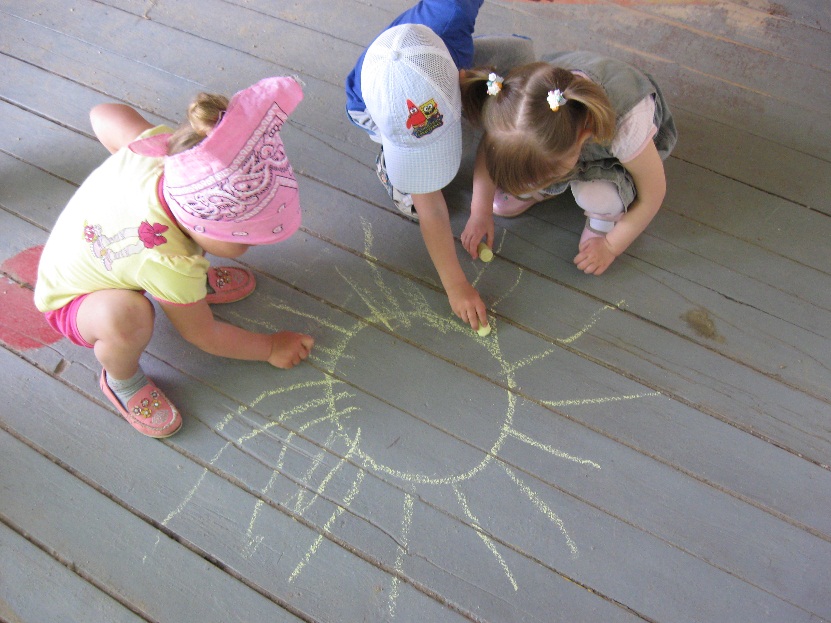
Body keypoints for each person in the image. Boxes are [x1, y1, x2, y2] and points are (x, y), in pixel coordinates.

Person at [34, 77, 315, 438]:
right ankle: (121, 380)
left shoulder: (171, 153)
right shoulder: (170, 264)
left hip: (105, 255)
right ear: (201, 224)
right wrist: (270, 346)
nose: (252, 247)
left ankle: (188, 292)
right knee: (128, 318)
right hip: (72, 301)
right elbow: (205, 334)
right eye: (243, 239)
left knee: (167, 273)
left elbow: (104, 114)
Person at [345, 0, 533, 331]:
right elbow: (432, 211)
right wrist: (456, 285)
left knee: (522, 61)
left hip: (441, 58)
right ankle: (393, 166)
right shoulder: (383, 108)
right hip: (375, 105)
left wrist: (480, 209)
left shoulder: (450, 16)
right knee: (419, 203)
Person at [460, 50, 678, 276]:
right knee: (523, 166)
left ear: (583, 139)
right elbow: (489, 150)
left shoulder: (627, 127)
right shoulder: (514, 115)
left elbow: (652, 196)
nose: (534, 183)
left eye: (545, 178)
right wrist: (479, 210)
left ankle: (602, 217)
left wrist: (611, 246)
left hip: (614, 148)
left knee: (597, 195)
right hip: (564, 129)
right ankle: (544, 181)